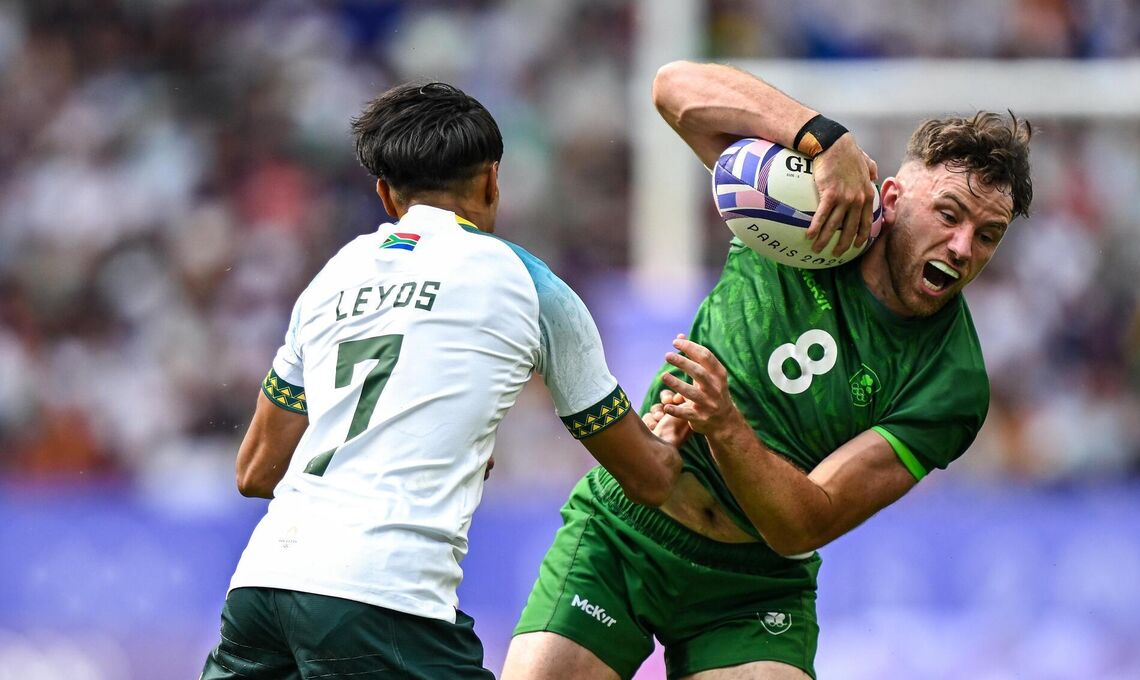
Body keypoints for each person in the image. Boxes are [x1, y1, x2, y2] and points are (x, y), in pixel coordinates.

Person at [503, 61, 1033, 680]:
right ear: (891, 199)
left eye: (988, 235)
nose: (964, 248)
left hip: (755, 584)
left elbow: (805, 523)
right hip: (626, 530)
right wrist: (822, 136)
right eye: (948, 215)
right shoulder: (809, 208)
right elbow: (672, 89)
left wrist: (725, 425)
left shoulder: (954, 384)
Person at [199, 82, 681, 680]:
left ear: (385, 193)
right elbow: (648, 478)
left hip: (263, 584)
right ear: (492, 180)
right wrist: (682, 431)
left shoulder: (330, 278)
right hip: (383, 594)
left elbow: (256, 471)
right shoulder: (531, 285)